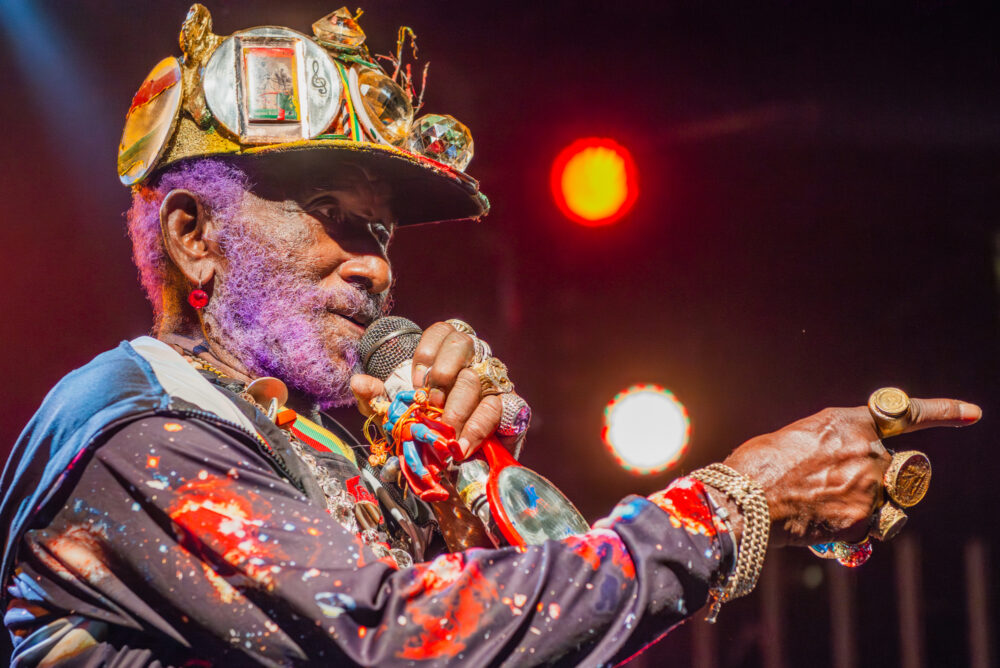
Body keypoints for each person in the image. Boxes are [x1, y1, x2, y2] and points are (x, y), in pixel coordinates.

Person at [0, 6, 981, 667]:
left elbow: (524, 630)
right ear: (193, 237)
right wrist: (740, 500)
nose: (375, 267)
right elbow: (396, 639)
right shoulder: (129, 425)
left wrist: (467, 494)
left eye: (380, 232)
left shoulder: (333, 445)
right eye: (329, 213)